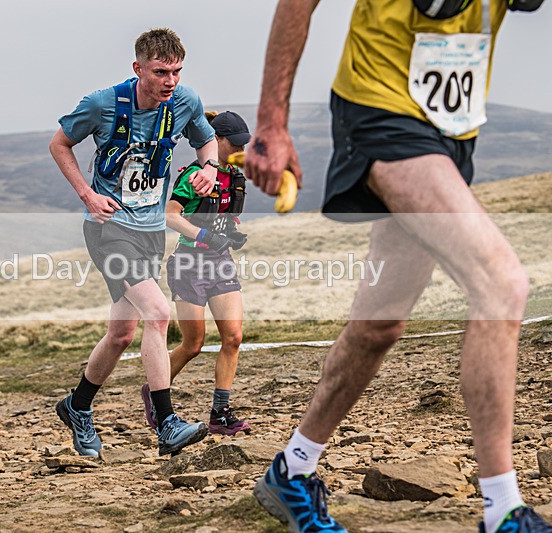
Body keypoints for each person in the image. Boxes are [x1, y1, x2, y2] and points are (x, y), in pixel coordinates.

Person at [244, 1, 551, 533]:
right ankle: (503, 510)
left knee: (378, 325)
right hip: (380, 111)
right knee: (501, 284)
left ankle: (290, 470)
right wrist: (273, 121)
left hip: (450, 124)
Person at [49, 28, 219, 457]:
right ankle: (167, 423)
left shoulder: (185, 101)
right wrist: (87, 195)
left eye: (177, 71)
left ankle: (77, 405)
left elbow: (206, 140)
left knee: (122, 332)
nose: (171, 81)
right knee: (158, 313)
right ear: (138, 68)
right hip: (108, 229)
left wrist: (211, 169)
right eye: (161, 72)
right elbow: (60, 143)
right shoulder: (102, 104)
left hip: (148, 231)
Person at [140, 110, 252, 437]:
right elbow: (171, 216)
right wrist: (203, 235)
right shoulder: (194, 176)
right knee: (193, 344)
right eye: (235, 143)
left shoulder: (235, 176)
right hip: (189, 264)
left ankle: (220, 413)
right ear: (216, 141)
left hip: (221, 261)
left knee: (233, 337)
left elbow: (222, 214)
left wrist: (230, 233)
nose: (240, 149)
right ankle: (154, 391)